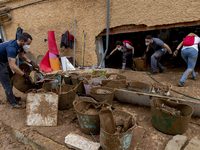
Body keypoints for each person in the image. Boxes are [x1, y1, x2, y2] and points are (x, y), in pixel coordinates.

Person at [0, 33, 38, 108]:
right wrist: (25, 76)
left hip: (3, 61)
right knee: (7, 82)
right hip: (0, 63)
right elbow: (12, 66)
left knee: (12, 78)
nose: (28, 46)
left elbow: (22, 55)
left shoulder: (19, 45)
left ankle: (10, 98)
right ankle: (14, 103)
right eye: (28, 44)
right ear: (22, 41)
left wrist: (31, 62)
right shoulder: (12, 48)